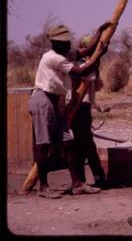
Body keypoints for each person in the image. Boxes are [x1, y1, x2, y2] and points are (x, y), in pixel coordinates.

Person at [28, 23, 110, 199]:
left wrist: (99, 32)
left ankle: (77, 184)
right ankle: (43, 187)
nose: (68, 45)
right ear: (56, 44)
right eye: (65, 43)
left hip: (53, 101)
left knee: (69, 141)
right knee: (43, 145)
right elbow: (82, 70)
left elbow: (85, 51)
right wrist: (99, 55)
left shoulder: (62, 54)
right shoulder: (54, 58)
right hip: (42, 100)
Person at [70, 34, 108, 189]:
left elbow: (97, 85)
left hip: (84, 107)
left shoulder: (90, 65)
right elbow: (88, 78)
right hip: (77, 108)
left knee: (83, 145)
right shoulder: (79, 65)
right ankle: (91, 179)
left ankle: (89, 178)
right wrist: (97, 59)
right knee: (85, 145)